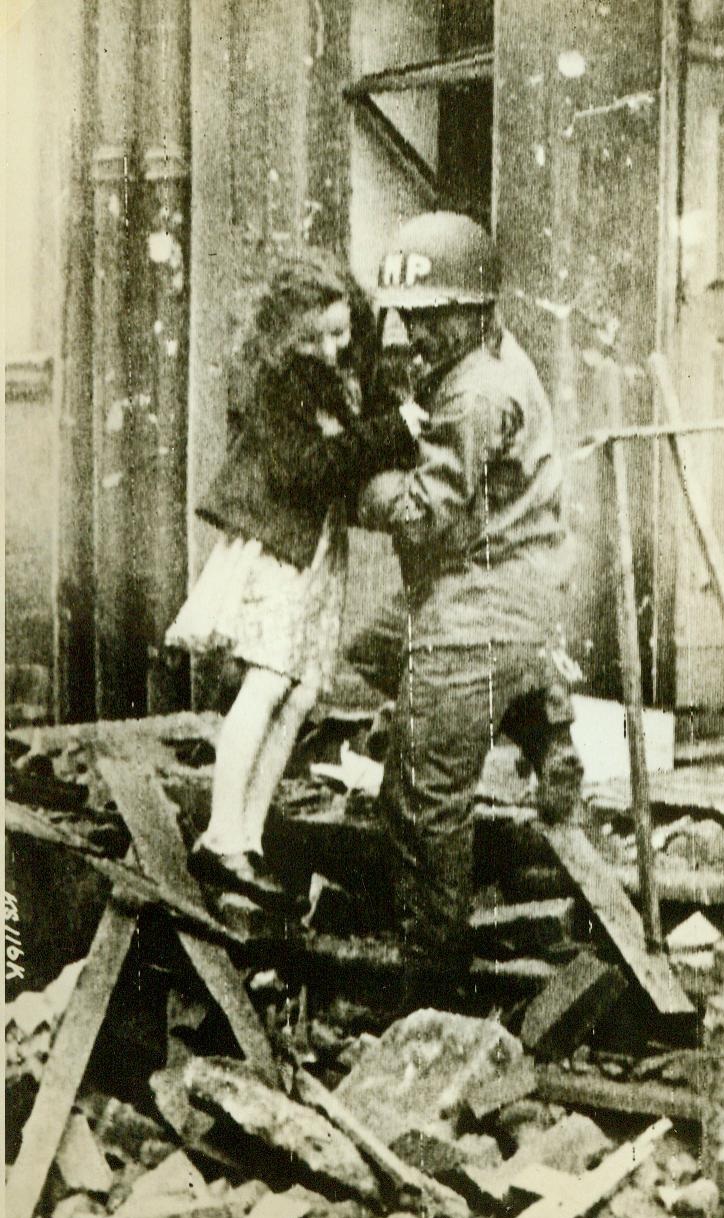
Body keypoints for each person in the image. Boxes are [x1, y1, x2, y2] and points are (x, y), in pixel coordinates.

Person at [348, 211, 583, 971]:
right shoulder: (481, 354)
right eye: (410, 317)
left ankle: (434, 976)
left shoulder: (476, 393)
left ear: (476, 308)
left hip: (484, 590)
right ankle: (539, 723)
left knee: (417, 794)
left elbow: (425, 518)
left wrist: (363, 488)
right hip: (518, 577)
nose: (416, 334)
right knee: (374, 648)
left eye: (432, 319)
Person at [166, 247, 417, 898]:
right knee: (268, 682)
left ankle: (245, 838)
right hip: (278, 549)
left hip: (312, 553)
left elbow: (357, 440)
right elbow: (306, 471)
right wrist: (396, 429)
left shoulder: (334, 374)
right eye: (321, 336)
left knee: (301, 691)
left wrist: (394, 416)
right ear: (292, 335)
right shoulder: (280, 383)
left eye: (342, 332)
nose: (336, 346)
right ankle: (221, 837)